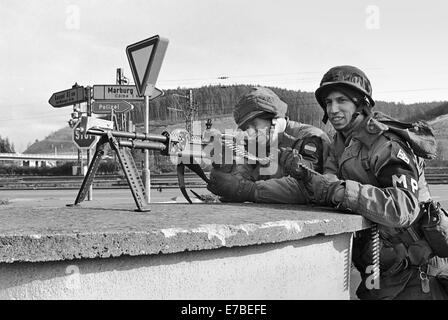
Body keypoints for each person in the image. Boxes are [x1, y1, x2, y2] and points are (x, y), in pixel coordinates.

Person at [281, 65, 448, 299]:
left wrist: (340, 191)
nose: (333, 109)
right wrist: (305, 176)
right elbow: (327, 185)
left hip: (417, 274)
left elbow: (404, 207)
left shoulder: (385, 144)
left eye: (342, 101)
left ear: (361, 104)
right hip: (381, 273)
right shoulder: (340, 145)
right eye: (328, 103)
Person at [206, 86, 331, 204]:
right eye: (245, 128)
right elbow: (244, 175)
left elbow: (307, 188)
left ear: (273, 118)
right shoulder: (260, 142)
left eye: (254, 125)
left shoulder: (311, 138)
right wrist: (226, 169)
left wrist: (247, 190)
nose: (249, 133)